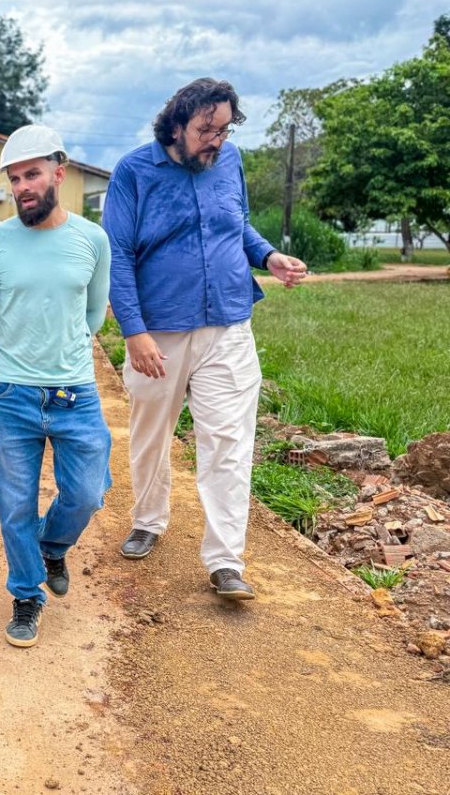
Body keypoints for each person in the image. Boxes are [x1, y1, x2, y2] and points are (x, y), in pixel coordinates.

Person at [102, 78, 307, 601]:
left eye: (224, 130)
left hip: (229, 323)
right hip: (159, 332)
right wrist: (134, 332)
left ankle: (225, 560)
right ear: (176, 125)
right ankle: (148, 518)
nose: (216, 141)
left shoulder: (229, 160)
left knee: (229, 442)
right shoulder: (134, 171)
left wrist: (268, 256)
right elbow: (117, 256)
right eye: (206, 130)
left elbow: (238, 225)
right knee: (151, 433)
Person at [0, 125, 111, 649]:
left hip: (75, 394)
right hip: (12, 395)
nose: (22, 186)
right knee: (15, 506)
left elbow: (94, 314)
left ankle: (52, 546)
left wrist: (66, 351)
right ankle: (26, 594)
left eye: (32, 174)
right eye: (15, 178)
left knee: (87, 493)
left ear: (58, 174)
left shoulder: (92, 239)